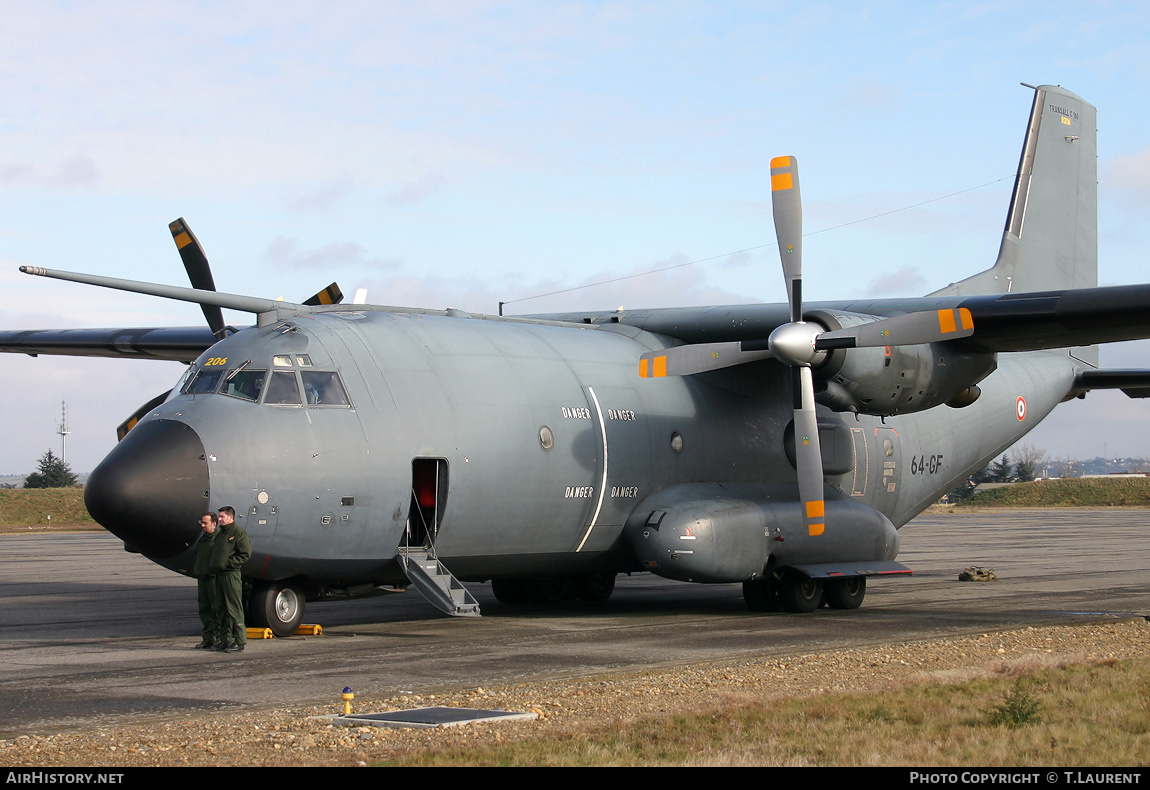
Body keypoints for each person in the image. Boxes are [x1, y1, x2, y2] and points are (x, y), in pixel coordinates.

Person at [214, 505, 252, 653]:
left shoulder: (238, 532)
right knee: (222, 609)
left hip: (231, 575)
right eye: (219, 516)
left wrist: (229, 564)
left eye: (222, 516)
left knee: (234, 608)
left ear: (231, 517)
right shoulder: (220, 534)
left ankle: (240, 641)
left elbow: (245, 553)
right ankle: (226, 639)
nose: (219, 519)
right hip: (220, 575)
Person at [192, 512, 221, 649]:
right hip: (202, 579)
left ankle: (220, 638)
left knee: (217, 609)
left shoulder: (218, 540)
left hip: (213, 580)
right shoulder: (203, 540)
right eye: (201, 523)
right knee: (204, 609)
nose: (202, 526)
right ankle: (208, 638)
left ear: (214, 524)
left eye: (205, 523)